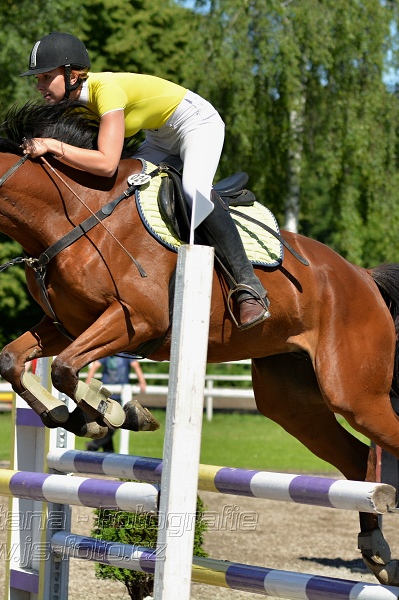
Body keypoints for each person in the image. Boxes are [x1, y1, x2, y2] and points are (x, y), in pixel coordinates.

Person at [20, 32, 270, 330]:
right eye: (38, 79)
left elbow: (106, 163)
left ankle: (248, 287)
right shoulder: (73, 103)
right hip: (159, 138)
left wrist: (52, 145)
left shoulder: (106, 91)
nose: (39, 85)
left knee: (194, 190)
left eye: (46, 77)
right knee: (124, 189)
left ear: (72, 76)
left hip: (195, 123)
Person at [84, 355, 148, 452]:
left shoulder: (126, 354)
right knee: (105, 423)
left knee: (115, 423)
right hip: (105, 394)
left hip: (119, 395)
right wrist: (88, 382)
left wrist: (142, 382)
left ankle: (95, 446)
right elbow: (95, 366)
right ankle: (107, 451)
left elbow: (136, 366)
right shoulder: (107, 354)